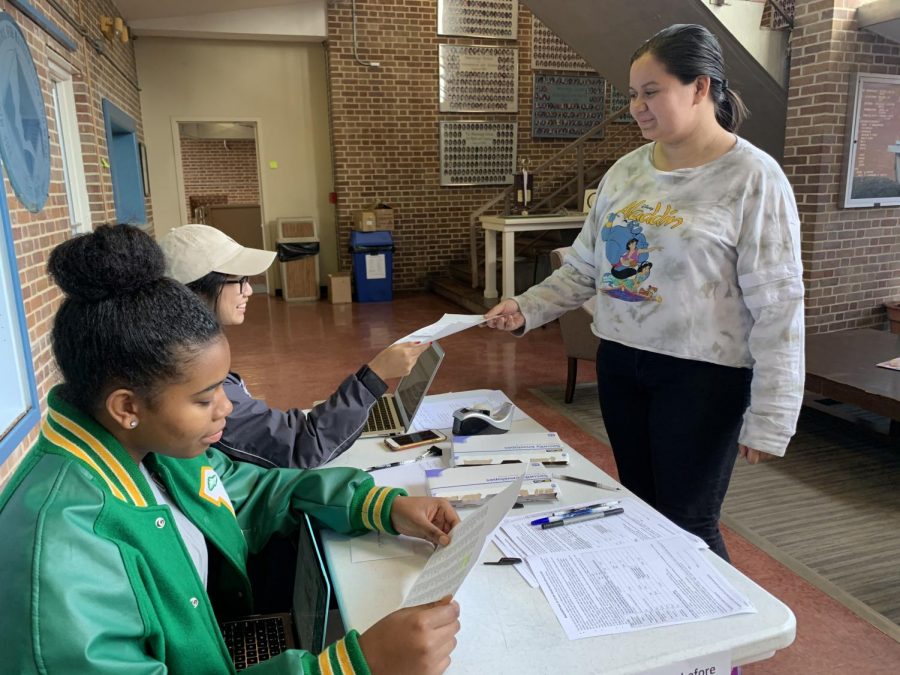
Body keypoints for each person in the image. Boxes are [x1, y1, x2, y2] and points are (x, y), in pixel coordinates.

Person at [0, 224, 460, 674]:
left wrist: (378, 504)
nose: (224, 408)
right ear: (127, 406)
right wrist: (348, 667)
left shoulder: (151, 450)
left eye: (222, 388)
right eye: (203, 399)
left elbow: (252, 489)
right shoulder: (62, 555)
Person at [484, 24, 804, 560]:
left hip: (703, 377)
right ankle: (657, 621)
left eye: (651, 92)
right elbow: (587, 268)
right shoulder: (627, 171)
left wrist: (772, 415)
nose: (637, 107)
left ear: (700, 88)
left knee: (688, 523)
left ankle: (718, 637)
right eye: (633, 95)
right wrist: (525, 307)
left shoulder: (753, 177)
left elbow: (778, 305)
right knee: (640, 506)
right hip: (622, 364)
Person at [159, 224, 429, 469]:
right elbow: (303, 446)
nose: (249, 291)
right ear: (195, 291)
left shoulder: (184, 352)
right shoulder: (192, 379)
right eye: (239, 280)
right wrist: (376, 375)